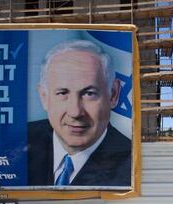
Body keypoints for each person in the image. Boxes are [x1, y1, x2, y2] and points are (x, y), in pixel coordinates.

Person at [28, 39, 132, 187]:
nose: (75, 112)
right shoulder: (19, 141)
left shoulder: (130, 165)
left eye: (89, 93)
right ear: (44, 97)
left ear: (113, 94)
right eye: (62, 93)